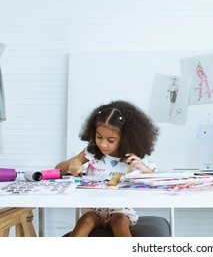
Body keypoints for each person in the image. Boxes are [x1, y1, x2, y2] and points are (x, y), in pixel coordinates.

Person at [55, 100, 159, 237]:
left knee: (120, 221)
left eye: (110, 140)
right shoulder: (91, 153)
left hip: (120, 210)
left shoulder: (133, 158)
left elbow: (156, 181)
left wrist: (143, 168)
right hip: (93, 210)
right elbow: (58, 169)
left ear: (125, 138)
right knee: (85, 220)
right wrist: (73, 162)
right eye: (99, 137)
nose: (103, 144)